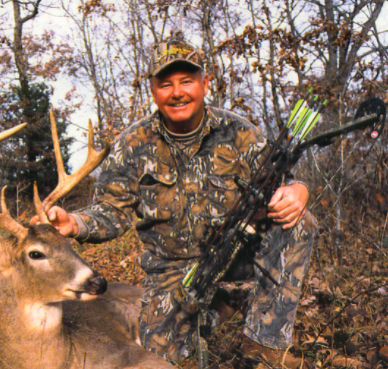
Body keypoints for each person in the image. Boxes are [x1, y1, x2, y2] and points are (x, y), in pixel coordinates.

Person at [35, 36, 316, 368]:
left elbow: (280, 182)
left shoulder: (239, 132)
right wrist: (74, 223)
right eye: (166, 84)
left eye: (186, 81)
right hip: (171, 272)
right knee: (159, 359)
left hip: (237, 252)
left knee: (299, 222)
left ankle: (263, 346)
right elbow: (110, 212)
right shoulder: (132, 145)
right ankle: (224, 304)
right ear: (152, 91)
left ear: (205, 83)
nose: (177, 92)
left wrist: (299, 191)